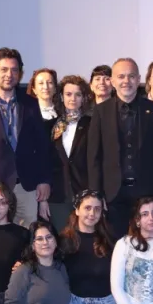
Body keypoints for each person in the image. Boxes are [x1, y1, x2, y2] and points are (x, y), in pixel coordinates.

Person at [0, 48, 54, 227]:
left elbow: (42, 147)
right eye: (3, 70)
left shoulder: (30, 104)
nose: (9, 75)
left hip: (26, 186)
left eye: (14, 70)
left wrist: (44, 180)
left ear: (20, 73)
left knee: (27, 235)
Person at [87, 58, 153, 241]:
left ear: (139, 79)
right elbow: (94, 157)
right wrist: (96, 194)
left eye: (131, 76)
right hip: (112, 195)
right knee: (114, 246)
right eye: (121, 76)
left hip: (146, 193)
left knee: (146, 244)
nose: (126, 81)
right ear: (112, 81)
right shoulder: (101, 111)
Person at [51, 75, 92, 222]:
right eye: (68, 94)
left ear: (84, 98)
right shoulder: (52, 126)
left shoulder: (92, 124)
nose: (73, 99)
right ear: (62, 97)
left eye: (78, 94)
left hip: (84, 191)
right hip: (58, 194)